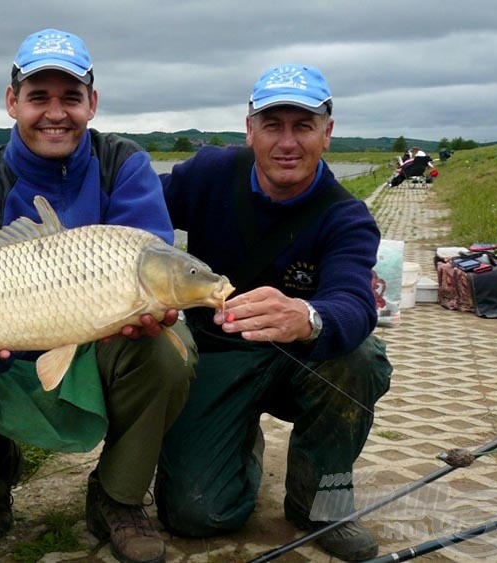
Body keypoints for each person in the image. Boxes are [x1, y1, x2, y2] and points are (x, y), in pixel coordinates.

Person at [0, 29, 195, 563]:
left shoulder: (125, 166)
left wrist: (150, 315)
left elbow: (152, 268)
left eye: (71, 97)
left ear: (92, 103)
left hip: (108, 342)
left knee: (168, 348)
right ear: (12, 102)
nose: (56, 112)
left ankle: (117, 496)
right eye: (38, 96)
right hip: (10, 351)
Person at [157, 64, 393, 562]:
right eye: (272, 125)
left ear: (327, 134)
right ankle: (239, 441)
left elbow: (354, 302)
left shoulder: (346, 215)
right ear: (250, 129)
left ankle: (321, 502)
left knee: (361, 356)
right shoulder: (207, 174)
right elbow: (133, 210)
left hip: (300, 361)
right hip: (217, 355)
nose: (287, 142)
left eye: (303, 126)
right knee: (194, 515)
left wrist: (308, 317)